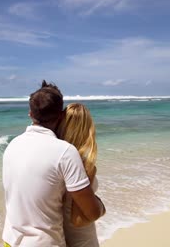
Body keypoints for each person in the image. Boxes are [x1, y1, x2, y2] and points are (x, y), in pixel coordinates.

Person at [2, 80, 105, 246]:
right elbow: (91, 212)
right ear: (60, 116)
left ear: (30, 114)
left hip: (11, 240)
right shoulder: (65, 152)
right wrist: (100, 205)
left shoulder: (12, 145)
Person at [57, 103, 100, 247]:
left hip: (59, 237)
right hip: (82, 239)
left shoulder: (53, 161)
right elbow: (80, 216)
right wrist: (100, 206)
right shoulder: (84, 166)